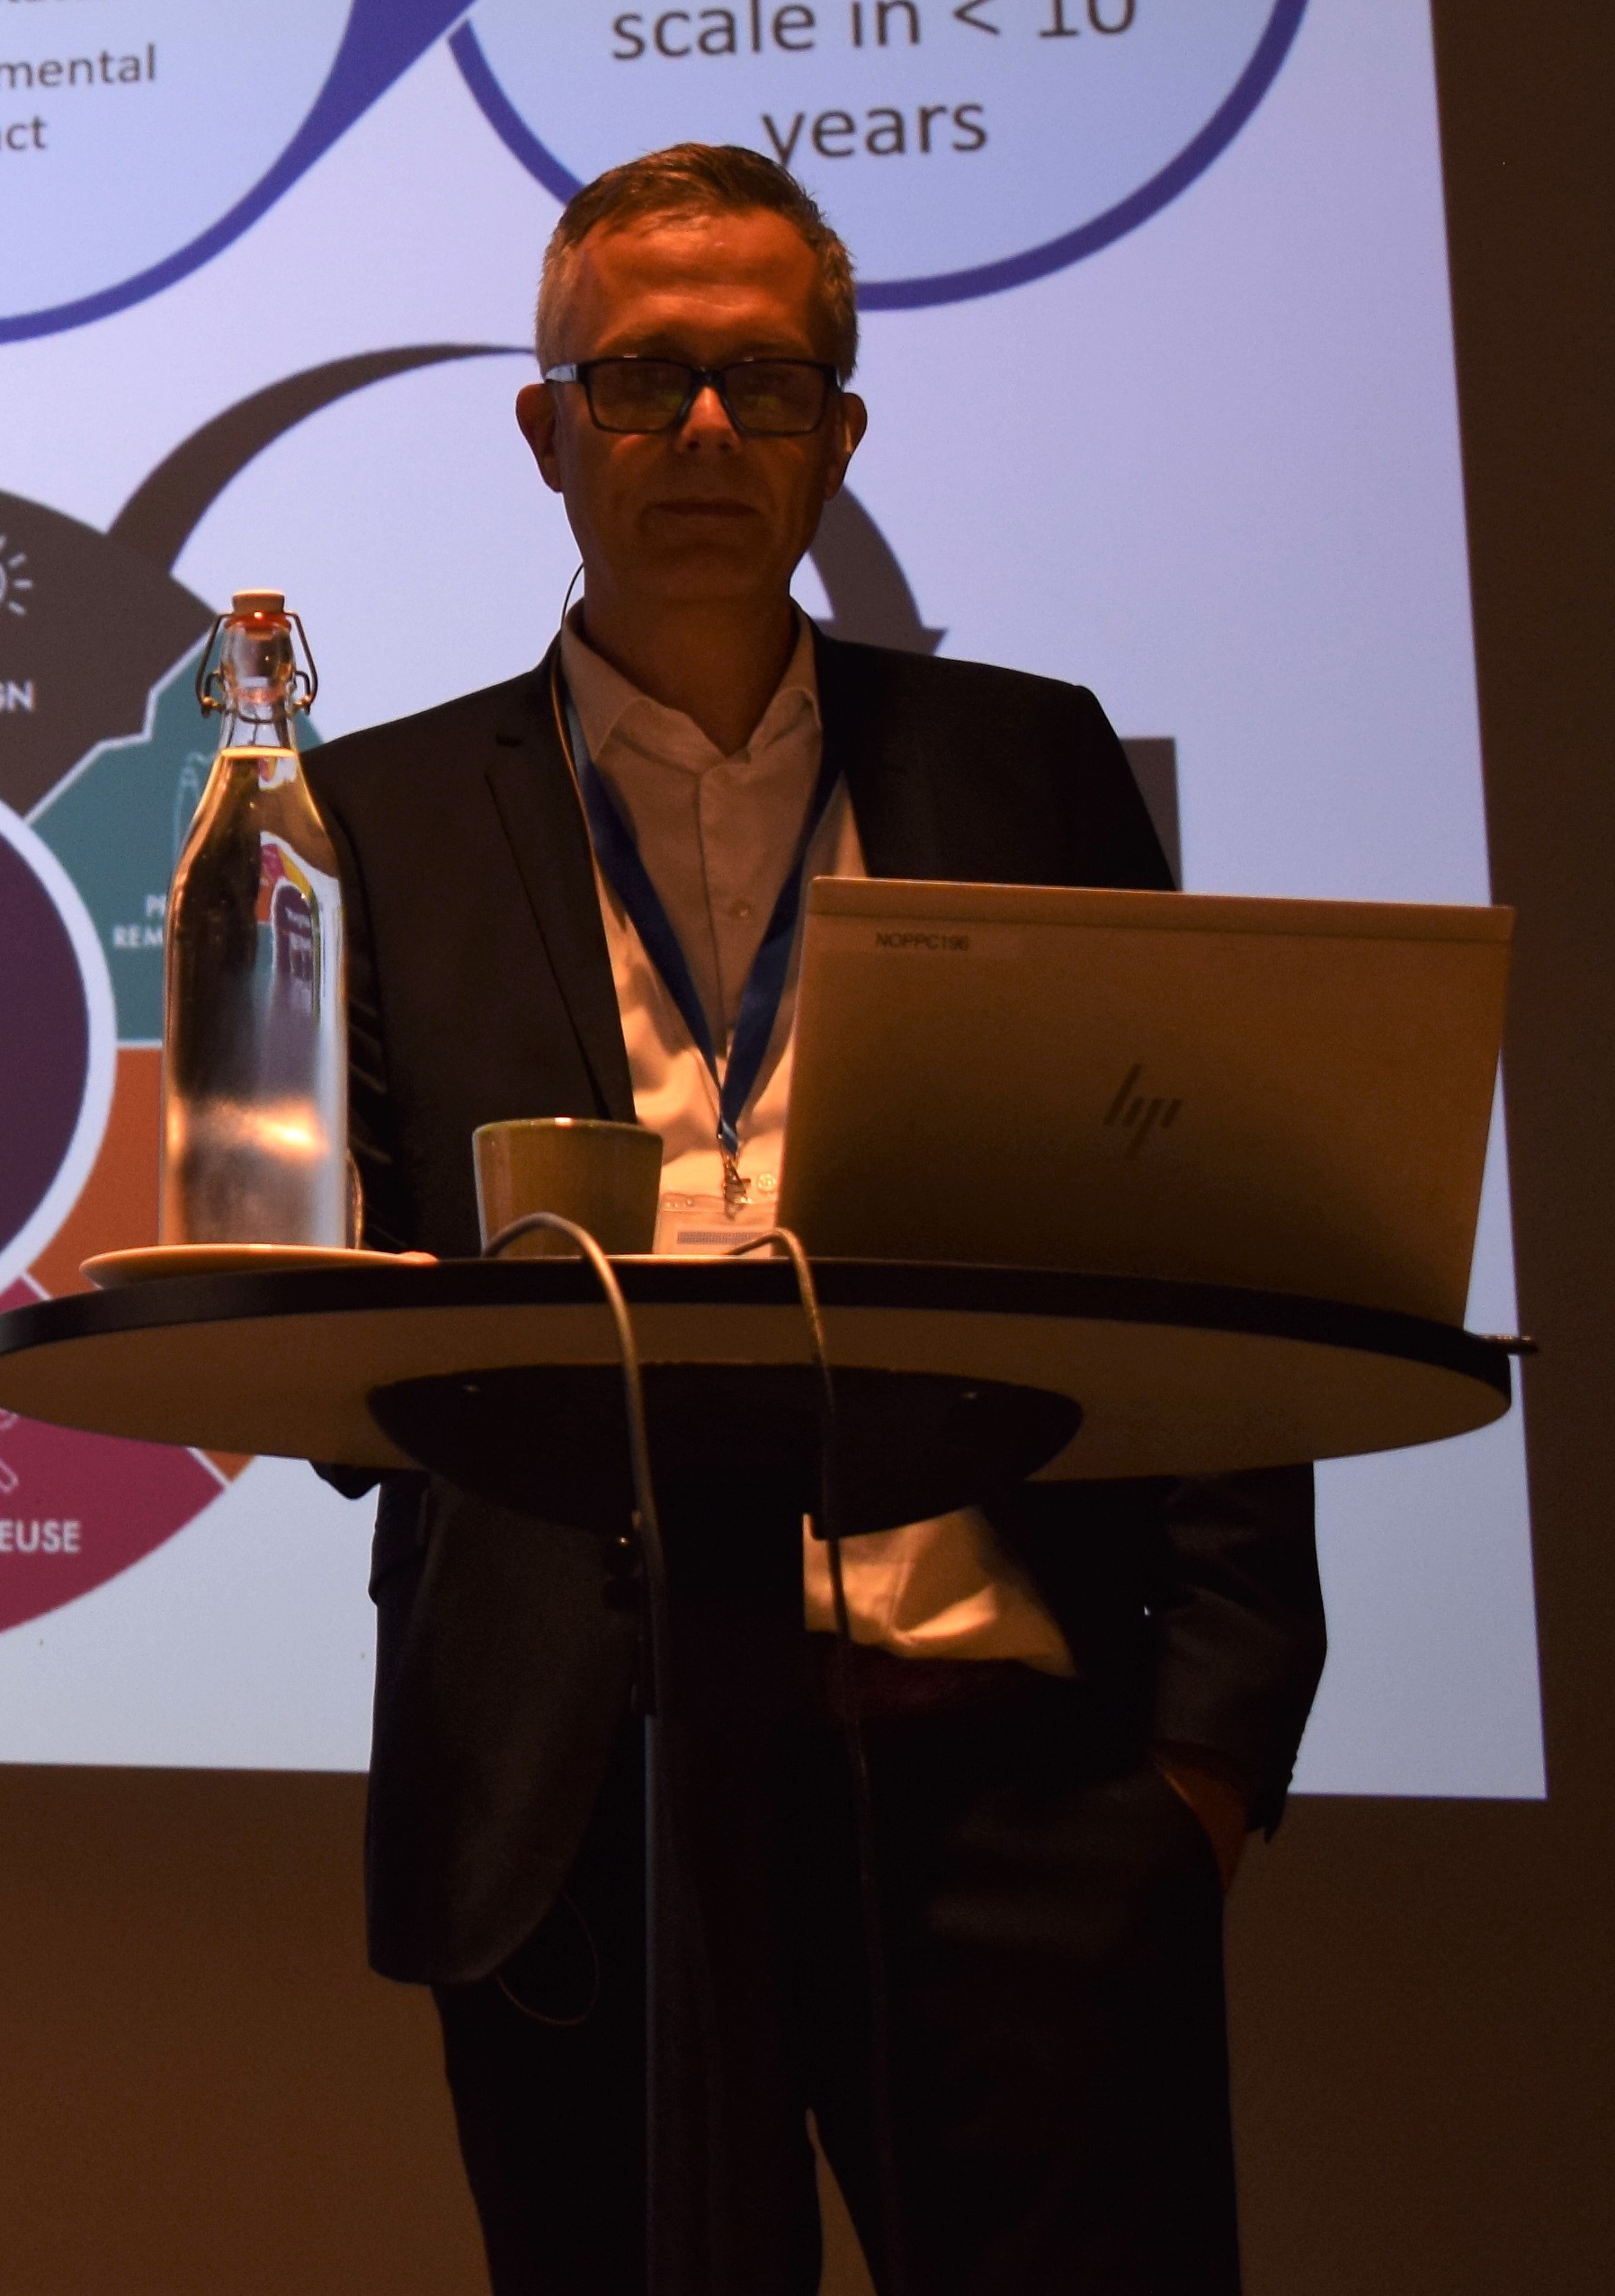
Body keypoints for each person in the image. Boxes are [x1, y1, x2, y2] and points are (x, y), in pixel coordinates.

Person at [305, 142, 1321, 2296]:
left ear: (839, 437)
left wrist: (1207, 1753)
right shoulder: (367, 818)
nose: (701, 428)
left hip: (1009, 1780)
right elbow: (359, 1351)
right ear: (545, 428)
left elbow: (1201, 1242)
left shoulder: (1028, 768)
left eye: (763, 382)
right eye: (638, 377)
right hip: (578, 1808)